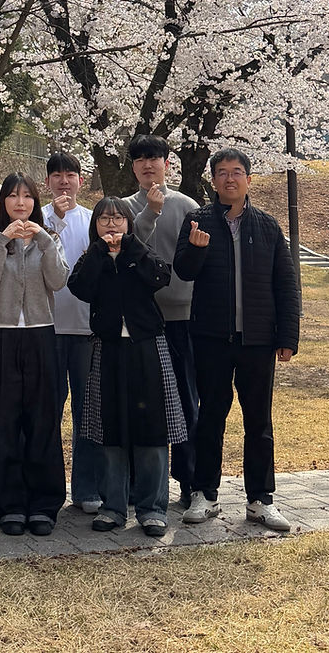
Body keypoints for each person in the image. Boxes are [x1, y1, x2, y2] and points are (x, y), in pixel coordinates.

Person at [173, 147, 300, 532]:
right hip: (211, 337)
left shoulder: (267, 226)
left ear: (248, 179)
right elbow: (184, 270)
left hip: (259, 340)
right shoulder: (198, 220)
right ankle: (205, 494)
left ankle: (260, 500)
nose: (230, 178)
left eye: (237, 172)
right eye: (223, 173)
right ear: (213, 181)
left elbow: (286, 283)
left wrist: (288, 336)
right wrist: (196, 249)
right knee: (210, 416)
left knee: (259, 421)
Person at [68, 196, 185, 537]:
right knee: (110, 428)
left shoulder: (140, 252)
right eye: (104, 219)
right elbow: (79, 288)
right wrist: (101, 254)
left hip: (147, 346)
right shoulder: (92, 256)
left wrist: (131, 247)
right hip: (107, 348)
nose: (111, 224)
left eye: (119, 218)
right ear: (96, 225)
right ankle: (113, 507)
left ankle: (152, 509)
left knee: (152, 428)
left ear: (129, 224)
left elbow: (161, 277)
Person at [0, 172, 68, 536]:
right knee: (5, 421)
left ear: (35, 202)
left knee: (43, 420)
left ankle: (44, 504)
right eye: (13, 196)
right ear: (4, 203)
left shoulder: (49, 238)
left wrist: (44, 240)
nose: (20, 202)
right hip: (0, 335)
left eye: (27, 196)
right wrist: (2, 241)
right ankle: (9, 504)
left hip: (42, 335)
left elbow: (58, 281)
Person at [123, 135, 200, 507]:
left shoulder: (187, 206)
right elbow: (125, 250)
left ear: (167, 163)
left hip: (181, 318)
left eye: (154, 158)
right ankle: (140, 484)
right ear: (133, 167)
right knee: (141, 401)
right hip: (139, 322)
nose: (148, 165)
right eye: (140, 159)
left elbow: (198, 262)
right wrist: (148, 213)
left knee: (185, 400)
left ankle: (189, 481)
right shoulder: (122, 209)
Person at [42, 152, 102, 514]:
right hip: (45, 328)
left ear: (81, 180)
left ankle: (86, 488)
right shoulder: (36, 218)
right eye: (57, 175)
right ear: (47, 182)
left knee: (86, 411)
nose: (64, 181)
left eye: (71, 175)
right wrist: (57, 222)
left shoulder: (94, 219)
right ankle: (49, 488)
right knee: (47, 410)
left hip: (85, 328)